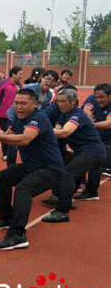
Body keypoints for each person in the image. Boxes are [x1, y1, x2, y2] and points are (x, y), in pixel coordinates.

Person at [0, 88, 64, 250]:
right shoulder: (19, 118)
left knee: (23, 189)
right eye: (16, 103)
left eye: (23, 103)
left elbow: (25, 139)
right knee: (4, 176)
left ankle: (17, 235)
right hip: (32, 166)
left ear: (34, 104)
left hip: (51, 169)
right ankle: (6, 217)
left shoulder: (38, 117)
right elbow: (10, 133)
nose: (18, 107)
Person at [41, 89, 105, 223]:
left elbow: (64, 132)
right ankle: (60, 197)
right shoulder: (63, 115)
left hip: (93, 152)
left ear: (73, 101)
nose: (60, 104)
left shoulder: (77, 115)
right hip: (81, 152)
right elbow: (57, 130)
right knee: (61, 167)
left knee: (68, 174)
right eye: (58, 101)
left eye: (63, 101)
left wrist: (39, 131)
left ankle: (62, 211)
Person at [5, 70, 59, 164]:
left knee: (27, 142)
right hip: (16, 117)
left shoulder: (49, 95)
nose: (49, 82)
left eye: (52, 81)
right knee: (14, 144)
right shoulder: (30, 88)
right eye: (47, 79)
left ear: (55, 83)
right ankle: (10, 165)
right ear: (42, 78)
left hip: (29, 119)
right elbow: (18, 103)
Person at [81, 83, 111, 193]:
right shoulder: (92, 98)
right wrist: (88, 115)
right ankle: (81, 181)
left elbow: (109, 123)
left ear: (110, 96)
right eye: (96, 97)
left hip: (108, 141)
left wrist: (90, 125)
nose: (98, 100)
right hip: (97, 138)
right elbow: (86, 108)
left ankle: (91, 191)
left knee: (96, 156)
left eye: (101, 97)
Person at [0, 66, 23, 161]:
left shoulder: (20, 85)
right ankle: (5, 153)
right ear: (13, 74)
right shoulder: (4, 83)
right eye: (20, 74)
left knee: (13, 133)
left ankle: (11, 152)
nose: (22, 76)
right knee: (5, 133)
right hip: (2, 114)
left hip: (16, 115)